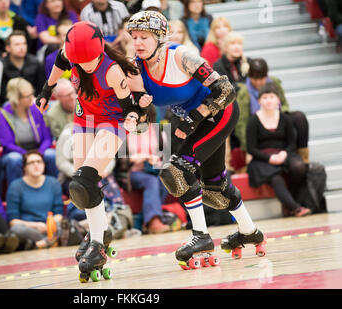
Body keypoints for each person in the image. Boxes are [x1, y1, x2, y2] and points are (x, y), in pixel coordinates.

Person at [127, 11, 265, 267]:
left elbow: (226, 90)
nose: (137, 43)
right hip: (192, 122)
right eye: (134, 37)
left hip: (219, 112)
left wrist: (194, 116)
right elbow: (141, 115)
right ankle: (249, 231)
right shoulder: (135, 67)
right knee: (215, 189)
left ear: (159, 37)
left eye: (144, 37)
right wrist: (139, 111)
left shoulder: (180, 56)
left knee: (175, 172)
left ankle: (201, 236)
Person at [35, 21, 144, 281]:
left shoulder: (113, 71)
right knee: (81, 185)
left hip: (112, 122)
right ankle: (100, 233)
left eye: (89, 61)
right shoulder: (71, 54)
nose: (84, 66)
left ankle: (97, 243)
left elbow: (130, 107)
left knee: (85, 179)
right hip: (84, 118)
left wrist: (133, 117)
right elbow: (60, 63)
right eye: (79, 62)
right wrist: (47, 89)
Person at [246, 84, 311, 217]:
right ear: (259, 101)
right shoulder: (253, 121)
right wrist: (269, 158)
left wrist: (284, 153)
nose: (268, 100)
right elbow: (251, 148)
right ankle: (295, 208)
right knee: (276, 178)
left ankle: (289, 204)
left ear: (278, 100)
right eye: (264, 97)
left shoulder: (285, 118)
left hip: (283, 153)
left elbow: (292, 142)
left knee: (299, 167)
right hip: (262, 158)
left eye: (271, 97)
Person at [235, 58, 310, 165]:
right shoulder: (244, 92)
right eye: (255, 79)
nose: (258, 82)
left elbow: (284, 104)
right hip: (258, 129)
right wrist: (248, 147)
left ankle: (304, 158)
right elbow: (241, 123)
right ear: (249, 77)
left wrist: (277, 115)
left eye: (262, 78)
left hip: (278, 121)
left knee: (299, 117)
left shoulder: (274, 83)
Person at [0, 77, 55, 186]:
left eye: (32, 94)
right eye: (27, 96)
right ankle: (16, 191)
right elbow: (7, 144)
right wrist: (26, 154)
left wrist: (39, 153)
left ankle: (54, 189)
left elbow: (47, 137)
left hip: (37, 150)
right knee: (14, 159)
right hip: (15, 153)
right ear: (16, 98)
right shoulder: (2, 115)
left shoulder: (36, 109)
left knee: (51, 155)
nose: (32, 98)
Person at [6, 150, 64, 250]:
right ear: (25, 167)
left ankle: (40, 243)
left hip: (50, 226)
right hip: (30, 228)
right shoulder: (15, 186)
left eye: (39, 162)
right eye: (31, 163)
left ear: (44, 165)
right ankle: (51, 241)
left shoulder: (53, 183)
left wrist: (49, 225)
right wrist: (36, 225)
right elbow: (13, 221)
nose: (36, 165)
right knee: (16, 229)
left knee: (62, 224)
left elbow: (59, 214)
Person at [126, 108, 170, 234]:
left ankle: (143, 219)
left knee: (165, 180)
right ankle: (153, 221)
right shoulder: (128, 131)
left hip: (153, 169)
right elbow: (124, 159)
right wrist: (145, 157)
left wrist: (157, 161)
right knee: (151, 181)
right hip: (133, 172)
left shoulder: (157, 130)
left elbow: (166, 155)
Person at [0, 30, 46, 103]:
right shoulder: (1, 65)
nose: (21, 47)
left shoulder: (35, 62)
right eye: (17, 44)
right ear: (8, 48)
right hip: (10, 104)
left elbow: (41, 88)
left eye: (24, 44)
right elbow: (2, 94)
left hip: (33, 102)